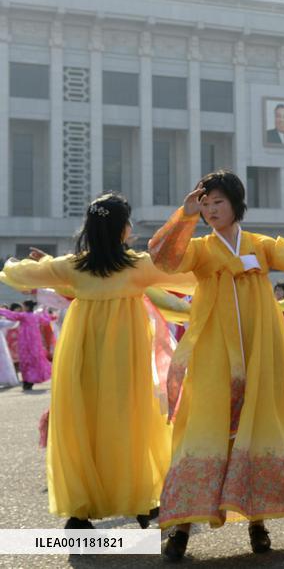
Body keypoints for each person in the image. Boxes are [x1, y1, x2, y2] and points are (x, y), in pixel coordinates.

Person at [149, 170, 284, 560]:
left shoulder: (261, 246)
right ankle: (182, 528)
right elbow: (166, 258)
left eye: (217, 203)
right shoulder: (201, 248)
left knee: (254, 430)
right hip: (213, 359)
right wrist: (185, 215)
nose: (211, 210)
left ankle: (258, 522)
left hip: (260, 356)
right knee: (203, 430)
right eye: (205, 204)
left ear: (236, 203)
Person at [0, 193, 196, 529]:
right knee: (131, 421)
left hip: (81, 355)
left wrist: (18, 264)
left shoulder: (75, 266)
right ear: (123, 229)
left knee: (82, 423)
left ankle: (80, 511)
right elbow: (189, 274)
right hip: (125, 356)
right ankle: (141, 498)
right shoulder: (139, 266)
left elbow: (20, 274)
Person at [0, 299, 54, 391]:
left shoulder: (24, 316)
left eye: (24, 306)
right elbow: (46, 321)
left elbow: (12, 315)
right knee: (35, 359)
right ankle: (31, 380)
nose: (23, 308)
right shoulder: (36, 316)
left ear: (27, 307)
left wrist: (1, 310)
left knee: (26, 361)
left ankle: (28, 381)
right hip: (35, 342)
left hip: (25, 342)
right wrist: (45, 312)